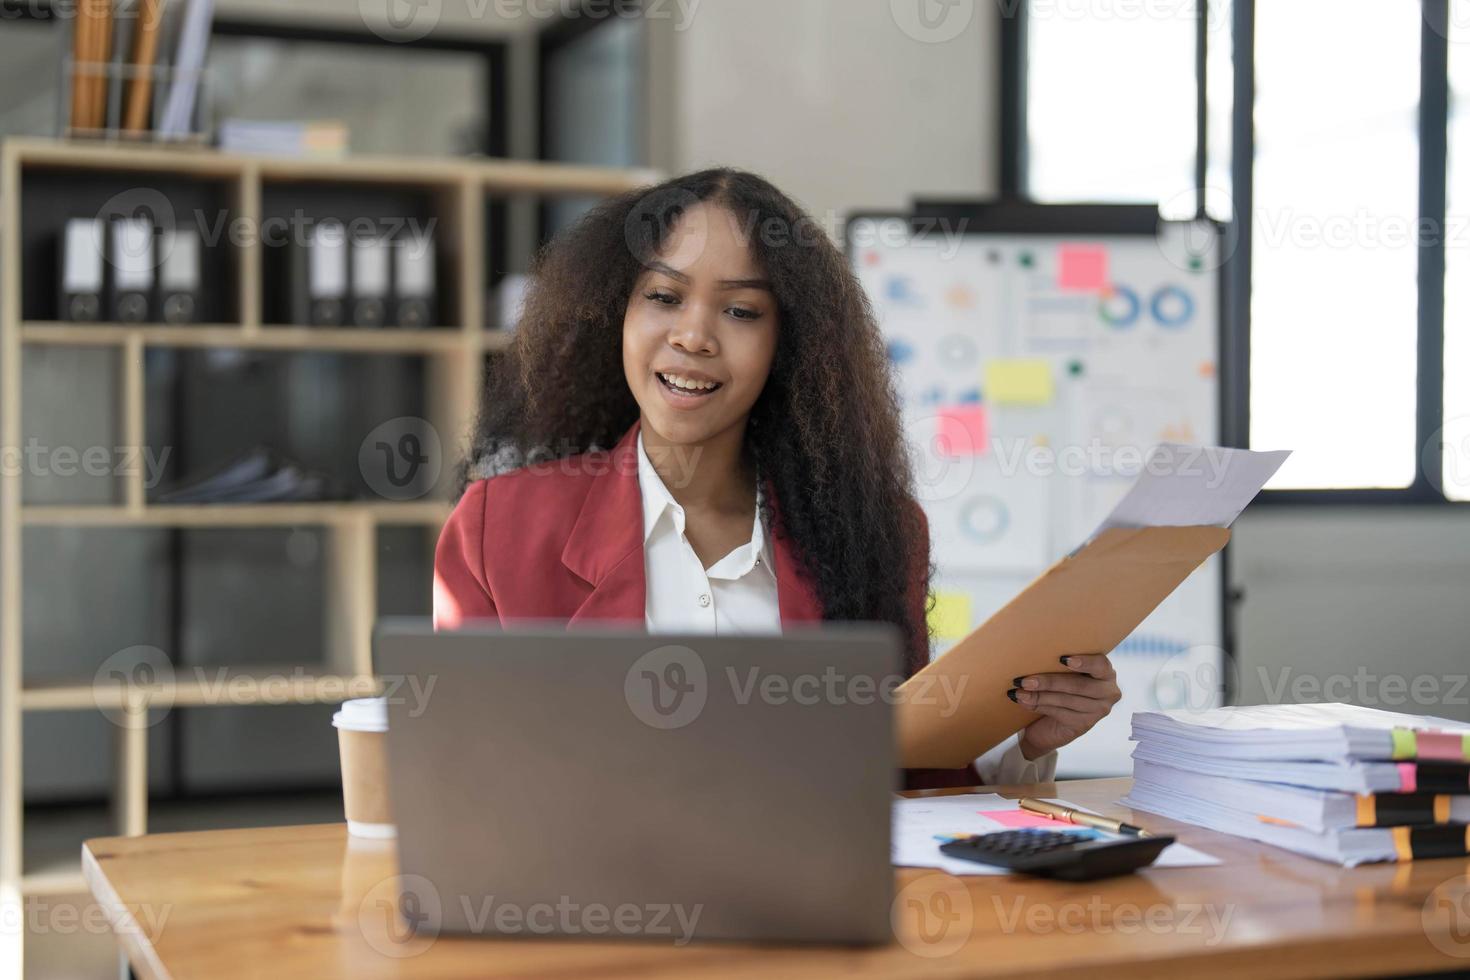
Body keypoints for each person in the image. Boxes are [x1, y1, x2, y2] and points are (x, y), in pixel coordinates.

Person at [433, 168, 1120, 789]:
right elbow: (465, 776)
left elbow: (910, 773)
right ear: (615, 313)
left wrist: (1030, 743)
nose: (694, 336)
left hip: (813, 915)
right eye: (664, 297)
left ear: (787, 346)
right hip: (592, 911)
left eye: (740, 311)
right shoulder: (499, 527)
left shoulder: (874, 531)